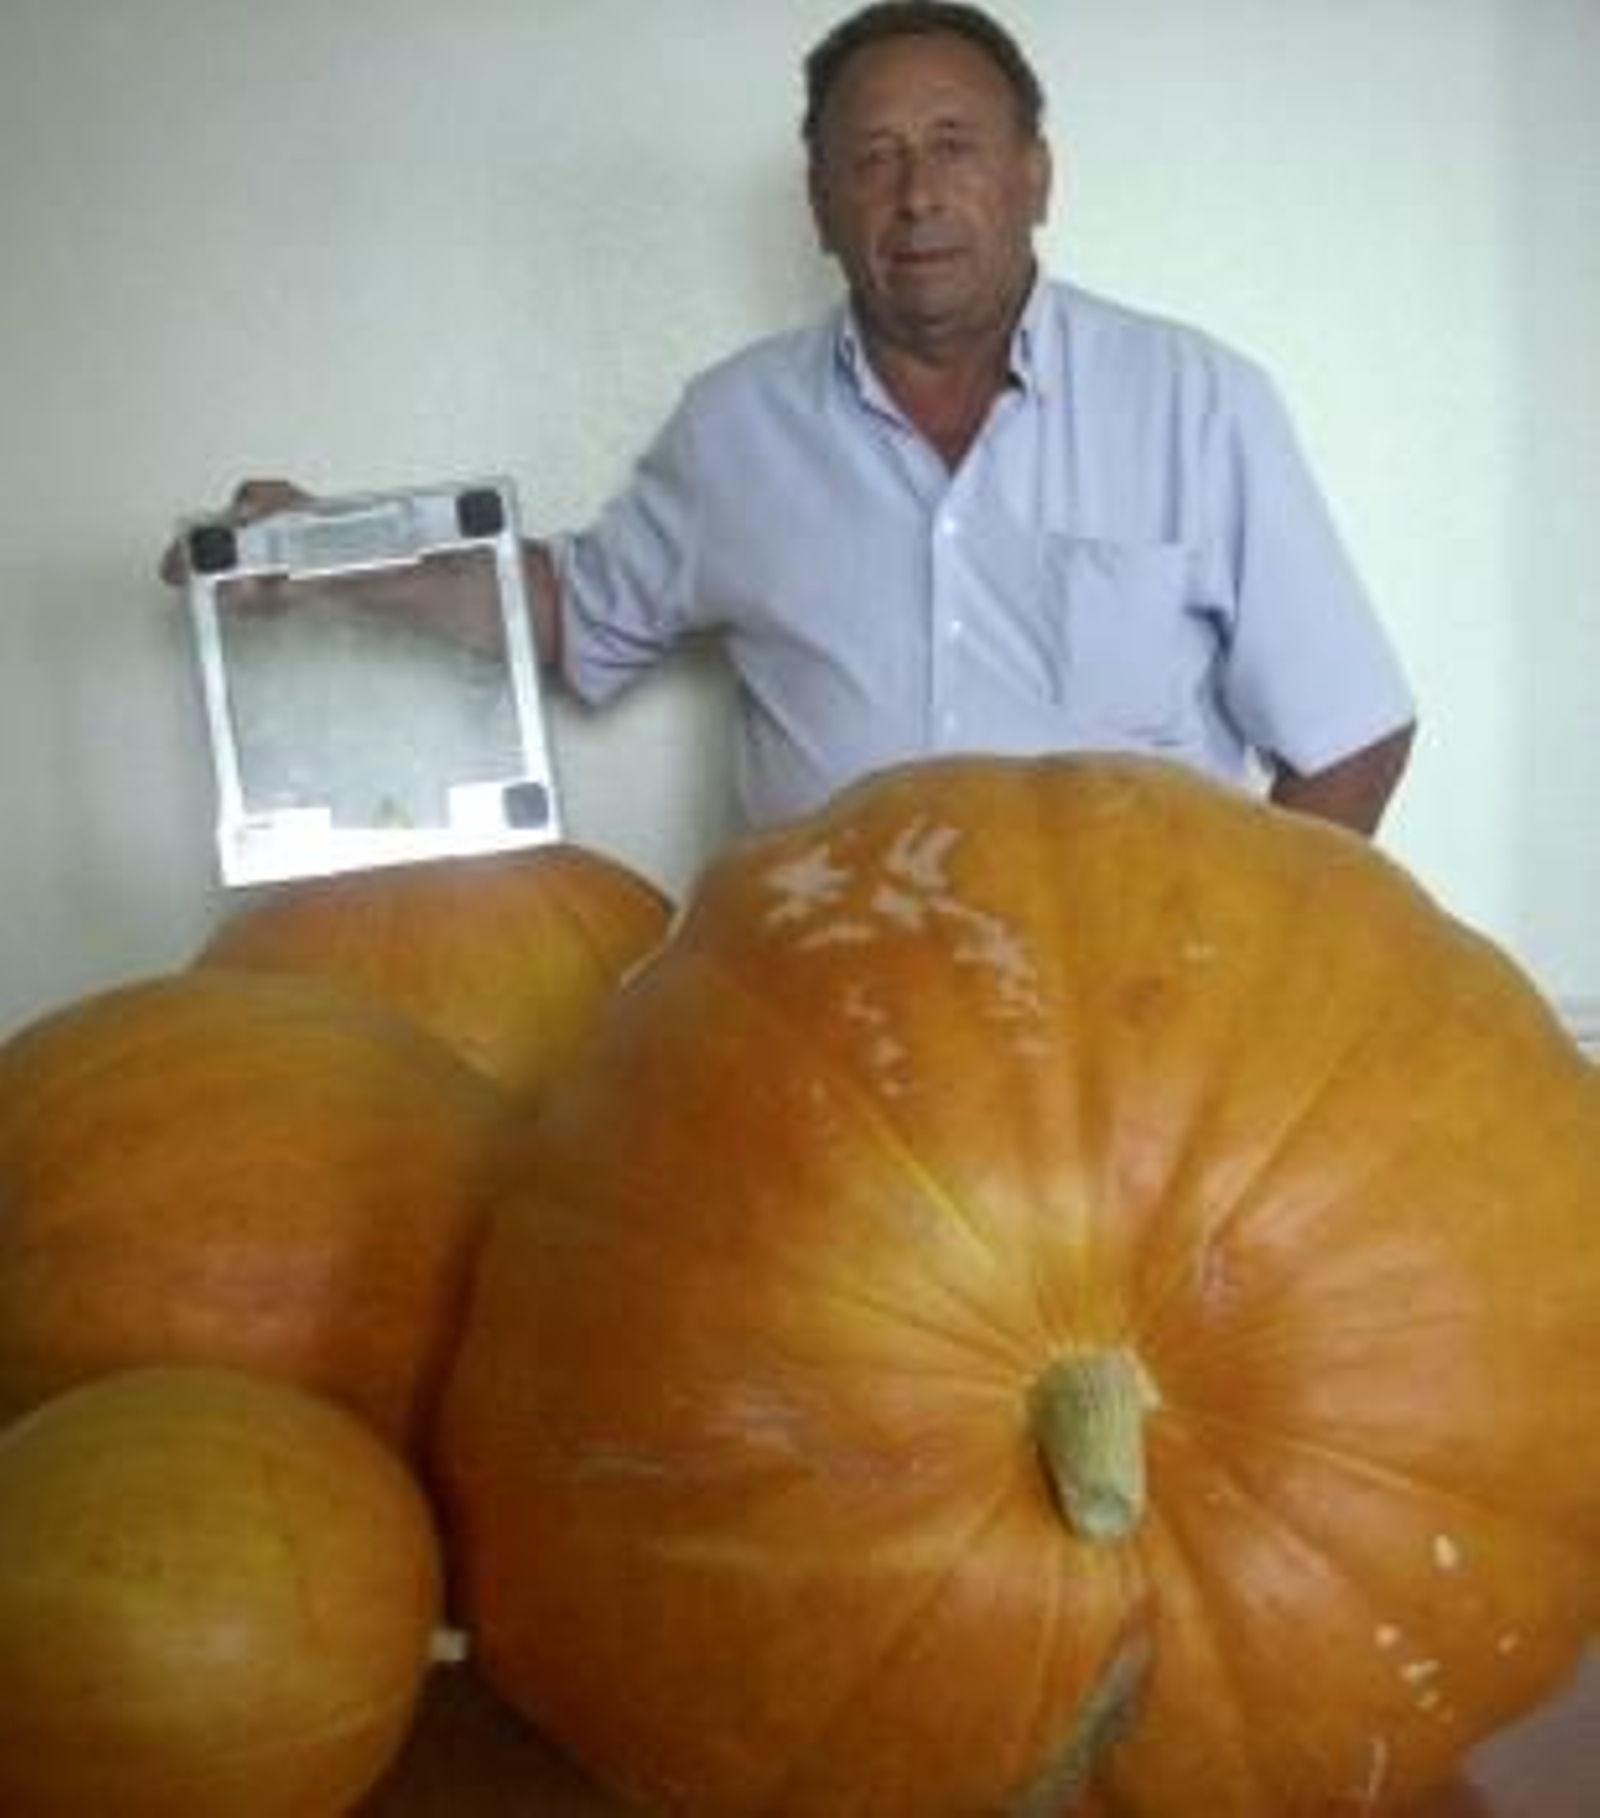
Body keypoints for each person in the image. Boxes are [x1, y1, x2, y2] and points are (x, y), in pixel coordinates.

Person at [168, 1, 1415, 836]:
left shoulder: (1195, 404)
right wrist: (329, 556)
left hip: (1127, 1032)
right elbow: (570, 609)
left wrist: (1238, 975)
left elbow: (1352, 735)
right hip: (817, 1031)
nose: (916, 195)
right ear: (819, 205)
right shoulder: (736, 428)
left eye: (954, 146)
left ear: (1034, 177)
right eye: (871, 159)